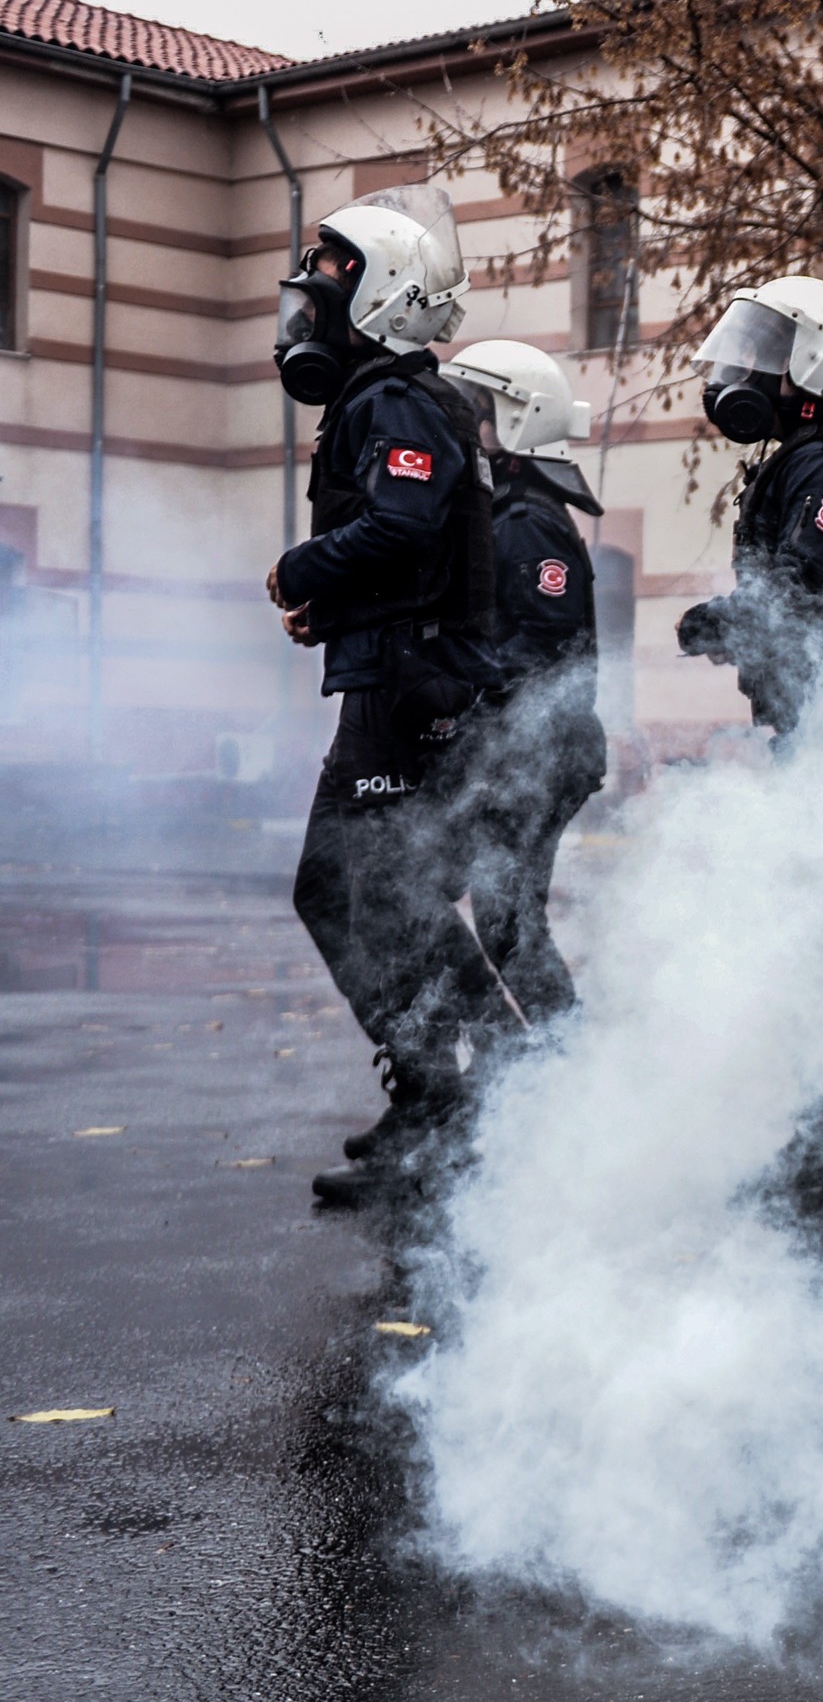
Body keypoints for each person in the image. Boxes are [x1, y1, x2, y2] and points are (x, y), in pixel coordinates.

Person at [267, 185, 523, 1208]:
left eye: (330, 281)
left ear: (381, 299)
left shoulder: (397, 401)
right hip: (394, 676)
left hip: (410, 693)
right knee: (360, 891)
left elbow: (403, 528)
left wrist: (299, 569)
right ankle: (445, 1090)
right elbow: (410, 562)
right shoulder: (390, 399)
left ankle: (466, 1091)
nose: (310, 305)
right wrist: (328, 613)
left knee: (369, 891)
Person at [435, 340, 608, 1025]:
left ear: (514, 421)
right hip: (521, 750)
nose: (461, 430)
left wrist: (460, 676)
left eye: (473, 414)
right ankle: (546, 1072)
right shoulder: (503, 512)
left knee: (507, 921)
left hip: (540, 752)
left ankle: (564, 1068)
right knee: (501, 919)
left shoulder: (527, 523)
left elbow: (547, 647)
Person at [675, 277, 823, 739]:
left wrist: (725, 621)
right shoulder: (814, 455)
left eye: (766, 358)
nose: (747, 374)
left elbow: (803, 589)